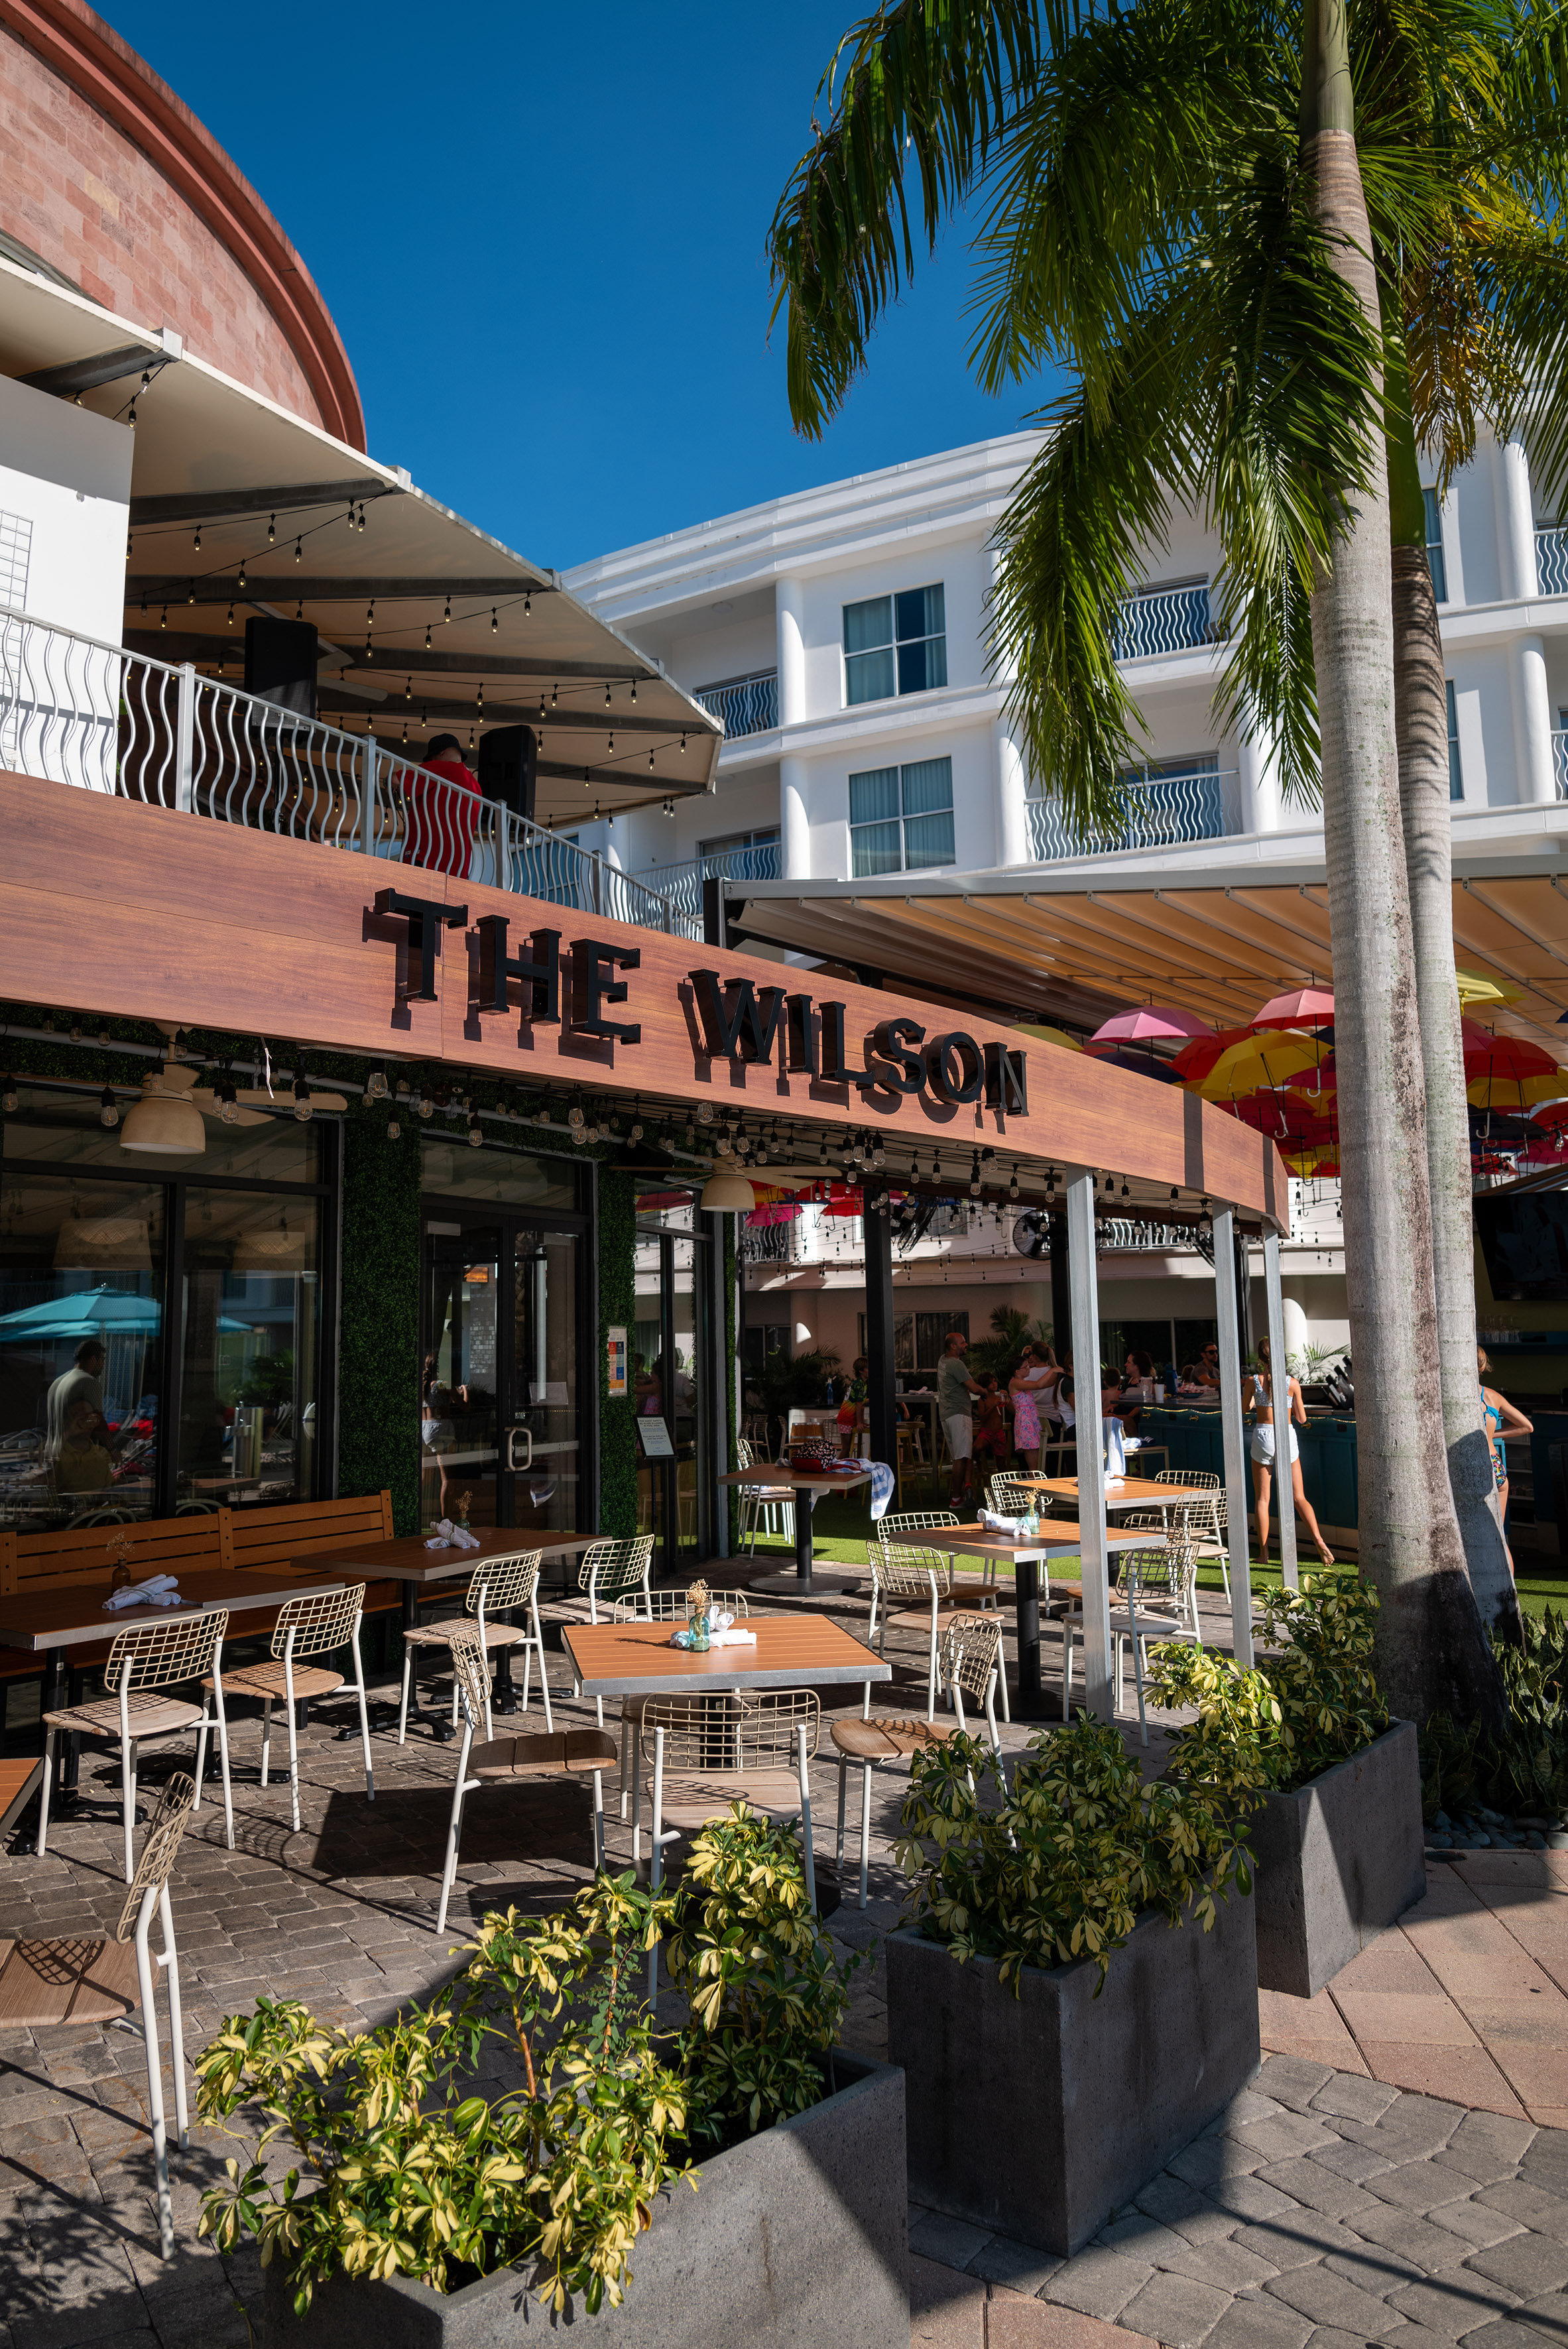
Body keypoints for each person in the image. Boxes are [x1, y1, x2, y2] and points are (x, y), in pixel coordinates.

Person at [1245, 1335, 1335, 1567]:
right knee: (1299, 1497)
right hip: (1286, 1435)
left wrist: (1257, 1403)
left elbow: (1245, 1409)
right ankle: (1319, 1541)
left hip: (1264, 1435)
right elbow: (1302, 1418)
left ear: (1260, 1358)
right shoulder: (1292, 1383)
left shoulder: (1253, 1381)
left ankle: (1264, 1554)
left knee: (1263, 1499)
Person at [1480, 1347, 1534, 1578]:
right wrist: (1492, 1435)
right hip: (1497, 1466)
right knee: (1498, 1536)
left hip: (1478, 1467)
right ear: (1483, 1367)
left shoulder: (1453, 1397)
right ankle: (1509, 1591)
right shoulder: (1492, 1396)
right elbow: (1527, 1427)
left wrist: (1489, 1435)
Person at [405, 733, 481, 878]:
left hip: (429, 859)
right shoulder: (476, 786)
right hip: (458, 869)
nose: (430, 763)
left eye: (431, 759)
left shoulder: (444, 768)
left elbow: (396, 779)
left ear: (441, 752)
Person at [44, 1339, 113, 1462]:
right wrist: (113, 1449)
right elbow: (99, 1424)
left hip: (52, 1452)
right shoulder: (89, 1382)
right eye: (102, 1359)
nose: (103, 1365)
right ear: (93, 1359)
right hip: (75, 1456)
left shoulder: (58, 1382)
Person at [936, 1331, 983, 1508]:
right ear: (953, 1346)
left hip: (947, 1414)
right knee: (961, 1457)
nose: (966, 1345)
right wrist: (988, 1393)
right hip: (958, 1414)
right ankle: (956, 1499)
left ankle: (963, 1494)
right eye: (963, 1342)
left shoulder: (943, 1360)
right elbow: (974, 1388)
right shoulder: (956, 1365)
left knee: (961, 1455)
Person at [1009, 1341, 1059, 1471]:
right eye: (1025, 1368)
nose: (1029, 1369)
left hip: (1031, 1420)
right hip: (1026, 1423)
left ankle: (1035, 1488)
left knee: (1036, 1464)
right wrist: (1053, 1370)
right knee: (1034, 1467)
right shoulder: (1016, 1383)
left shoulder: (1021, 1382)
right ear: (1017, 1371)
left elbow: (1045, 1385)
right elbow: (1039, 1385)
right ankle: (1033, 1489)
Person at [52, 1393, 113, 1496]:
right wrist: (68, 1433)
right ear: (64, 1420)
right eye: (76, 1416)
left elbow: (108, 1491)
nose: (85, 1421)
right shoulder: (54, 1449)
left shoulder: (101, 1453)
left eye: (89, 1416)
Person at [972, 1373, 1010, 1476]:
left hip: (999, 1432)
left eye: (995, 1381)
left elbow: (1011, 1409)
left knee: (1001, 1463)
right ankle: (979, 1465)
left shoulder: (1000, 1397)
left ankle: (1004, 1485)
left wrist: (1007, 1398)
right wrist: (993, 1407)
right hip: (987, 1432)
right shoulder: (982, 1400)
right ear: (985, 1385)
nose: (994, 1384)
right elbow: (983, 1418)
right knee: (976, 1448)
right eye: (991, 1382)